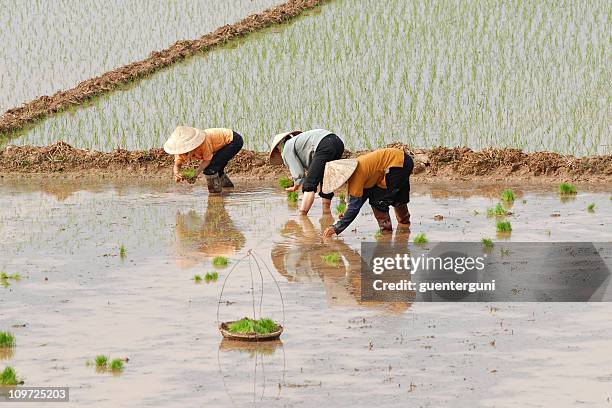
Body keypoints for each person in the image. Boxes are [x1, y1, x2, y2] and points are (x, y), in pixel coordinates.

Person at [322, 148, 413, 237]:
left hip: (397, 166)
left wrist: (336, 228)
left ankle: (386, 233)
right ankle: (405, 225)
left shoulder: (356, 177)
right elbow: (362, 196)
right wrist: (347, 210)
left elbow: (354, 207)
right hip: (403, 160)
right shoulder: (357, 167)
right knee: (397, 196)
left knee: (378, 201)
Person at [269, 129, 344, 215]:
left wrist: (295, 186)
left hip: (324, 144)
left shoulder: (286, 148)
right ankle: (326, 212)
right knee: (326, 179)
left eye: (277, 151)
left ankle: (302, 215)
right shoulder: (297, 142)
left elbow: (299, 174)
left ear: (278, 147)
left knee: (309, 185)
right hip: (338, 142)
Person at [163, 126, 243, 193]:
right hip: (221, 145)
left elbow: (207, 160)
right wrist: (176, 173)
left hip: (233, 140)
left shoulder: (203, 143)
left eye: (186, 152)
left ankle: (215, 196)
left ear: (192, 146)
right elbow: (177, 164)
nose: (184, 154)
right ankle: (228, 189)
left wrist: (196, 173)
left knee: (210, 169)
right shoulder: (180, 151)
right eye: (182, 152)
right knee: (217, 169)